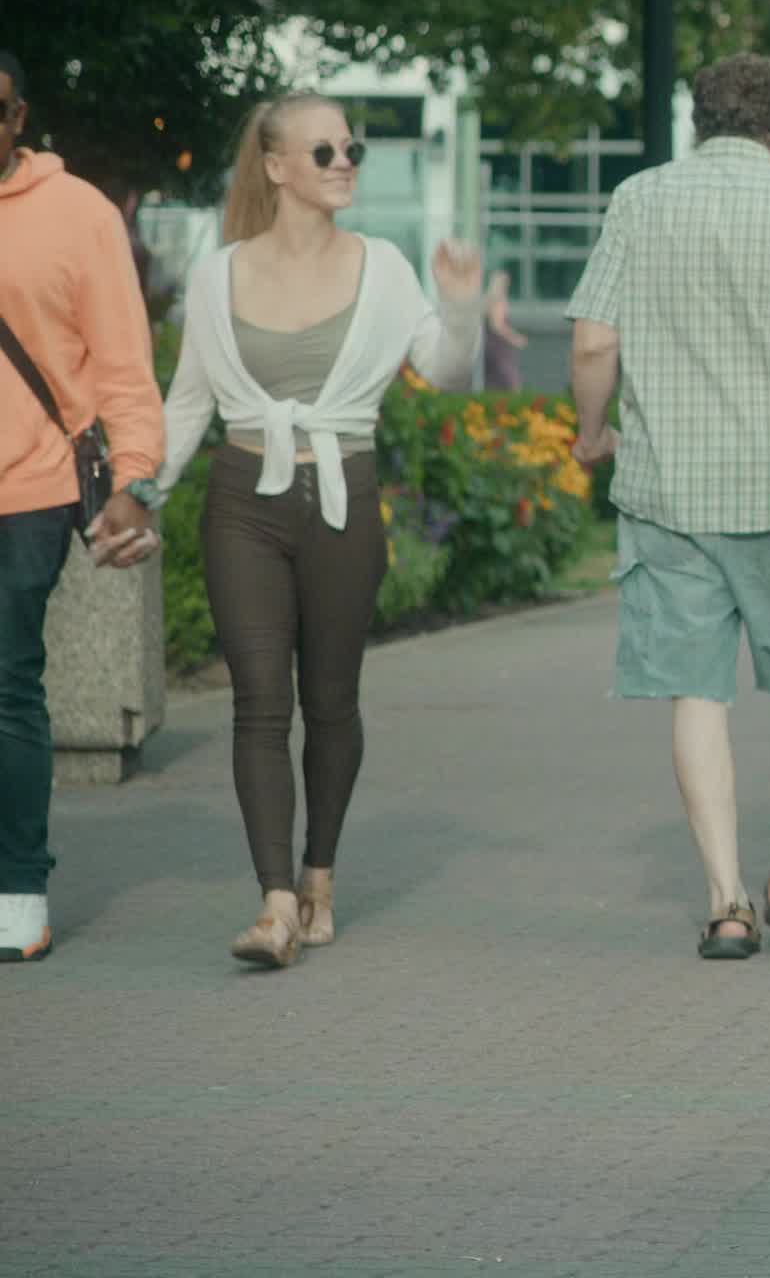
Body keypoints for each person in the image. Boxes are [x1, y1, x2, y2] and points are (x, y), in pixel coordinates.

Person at [147, 95, 487, 967]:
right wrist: (140, 495)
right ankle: (274, 905)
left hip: (343, 500)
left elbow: (448, 374)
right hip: (243, 502)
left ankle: (318, 876)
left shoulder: (385, 268)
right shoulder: (218, 274)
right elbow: (187, 405)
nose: (345, 164)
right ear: (276, 167)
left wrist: (459, 311)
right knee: (259, 700)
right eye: (325, 150)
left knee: (331, 701)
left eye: (352, 149)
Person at [566, 55, 770, 961]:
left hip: (668, 491)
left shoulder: (639, 200)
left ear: (698, 123)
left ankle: (724, 903)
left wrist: (592, 431)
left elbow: (592, 341)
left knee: (696, 692)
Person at [0, 49, 167, 966]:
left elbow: (122, 362)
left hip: (28, 490)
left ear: (19, 118)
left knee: (7, 682)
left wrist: (135, 480)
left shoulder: (78, 214)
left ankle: (17, 886)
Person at [480, 269, 529, 391]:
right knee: (510, 380)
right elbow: (497, 326)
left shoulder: (487, 300)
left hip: (489, 345)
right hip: (499, 347)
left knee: (494, 381)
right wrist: (515, 339)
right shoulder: (498, 301)